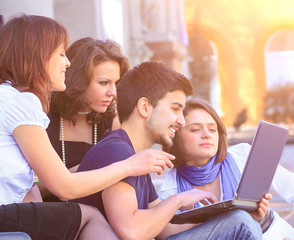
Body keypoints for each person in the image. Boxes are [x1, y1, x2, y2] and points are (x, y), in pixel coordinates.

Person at [0, 14, 174, 239]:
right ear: (38, 55)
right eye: (60, 53)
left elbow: (28, 190)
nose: (67, 62)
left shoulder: (9, 97)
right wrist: (129, 165)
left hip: (18, 210)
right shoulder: (22, 102)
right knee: (90, 216)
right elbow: (65, 188)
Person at [74, 61, 268, 240]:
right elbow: (131, 230)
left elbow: (166, 228)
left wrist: (228, 212)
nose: (181, 121)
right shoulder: (116, 152)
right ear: (144, 107)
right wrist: (179, 199)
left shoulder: (133, 156)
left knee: (240, 219)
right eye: (175, 109)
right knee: (240, 224)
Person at [157, 98, 294, 240]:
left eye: (212, 129)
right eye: (195, 129)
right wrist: (225, 220)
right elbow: (168, 235)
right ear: (175, 136)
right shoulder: (170, 190)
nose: (207, 135)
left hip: (275, 233)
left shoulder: (244, 155)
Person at [40, 37, 127, 201]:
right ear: (77, 80)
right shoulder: (42, 116)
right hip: (47, 216)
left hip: (98, 216)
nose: (113, 92)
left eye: (116, 83)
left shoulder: (113, 123)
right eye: (103, 83)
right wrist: (83, 171)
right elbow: (28, 188)